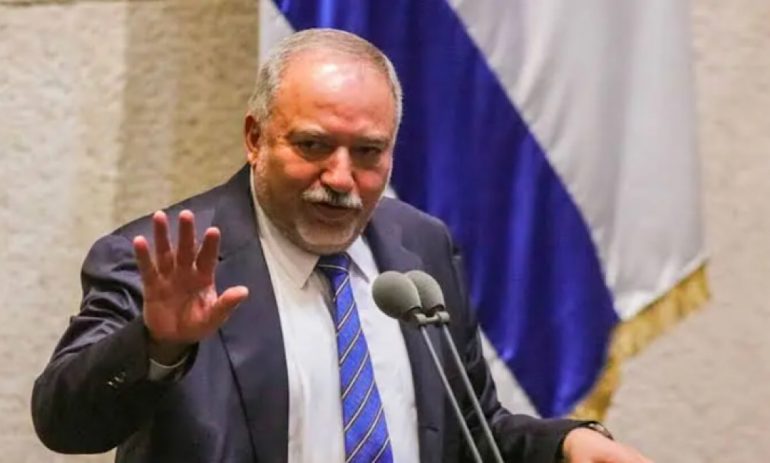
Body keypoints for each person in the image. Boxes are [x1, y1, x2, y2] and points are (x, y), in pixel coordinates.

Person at [32, 28, 651, 463]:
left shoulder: (420, 247)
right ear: (255, 138)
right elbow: (63, 424)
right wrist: (156, 344)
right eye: (312, 145)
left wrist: (565, 443)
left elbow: (468, 430)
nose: (340, 178)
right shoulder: (164, 256)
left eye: (367, 153)